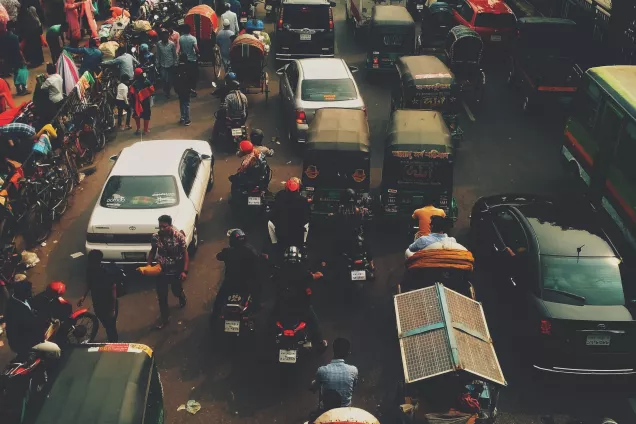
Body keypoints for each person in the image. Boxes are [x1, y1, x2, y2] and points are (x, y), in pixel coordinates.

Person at [271, 246, 327, 348]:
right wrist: (319, 274)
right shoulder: (303, 270)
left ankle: (267, 341)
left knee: (270, 320)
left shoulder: (280, 269)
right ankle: (320, 343)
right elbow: (314, 276)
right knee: (313, 321)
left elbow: (273, 279)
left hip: (283, 305)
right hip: (301, 306)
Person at [146, 215, 188, 329]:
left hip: (175, 269)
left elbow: (185, 253)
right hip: (162, 270)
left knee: (176, 290)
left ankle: (181, 296)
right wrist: (149, 265)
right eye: (160, 227)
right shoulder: (155, 237)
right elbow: (153, 251)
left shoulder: (179, 236)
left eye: (164, 227)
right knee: (162, 296)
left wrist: (185, 271)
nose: (162, 229)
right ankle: (165, 319)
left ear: (170, 225)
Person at [212, 229, 264, 320]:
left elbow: (218, 256)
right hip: (247, 283)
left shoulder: (228, 252)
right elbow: (258, 261)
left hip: (230, 282)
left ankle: (216, 316)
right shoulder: (251, 251)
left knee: (219, 300)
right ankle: (255, 308)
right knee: (256, 296)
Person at [78, 250, 120, 342]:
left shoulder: (106, 273)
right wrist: (83, 296)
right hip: (97, 303)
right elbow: (89, 283)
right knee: (106, 324)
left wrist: (112, 309)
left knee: (111, 327)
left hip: (109, 305)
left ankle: (114, 343)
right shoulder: (89, 270)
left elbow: (113, 290)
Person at [311, 338, 358, 408]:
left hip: (326, 412)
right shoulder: (353, 370)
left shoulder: (322, 371)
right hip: (345, 411)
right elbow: (354, 386)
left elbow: (314, 387)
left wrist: (312, 385)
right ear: (348, 353)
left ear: (333, 351)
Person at [4, 281, 47, 356]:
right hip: (25, 342)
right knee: (56, 350)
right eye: (29, 291)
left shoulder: (22, 299)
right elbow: (28, 326)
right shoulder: (14, 309)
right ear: (23, 293)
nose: (31, 292)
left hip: (27, 336)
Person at [269, 177, 311, 249]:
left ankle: (274, 243)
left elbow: (274, 212)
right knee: (307, 224)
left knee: (270, 223)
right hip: (298, 230)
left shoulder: (280, 195)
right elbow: (307, 216)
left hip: (281, 229)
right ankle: (304, 242)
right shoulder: (303, 200)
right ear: (299, 188)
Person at [129, 67, 155, 135]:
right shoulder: (147, 81)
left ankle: (138, 129)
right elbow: (152, 90)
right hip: (146, 101)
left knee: (137, 115)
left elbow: (131, 94)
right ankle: (145, 130)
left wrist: (132, 103)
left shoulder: (134, 84)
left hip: (137, 102)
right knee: (146, 115)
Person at [178, 24, 199, 97]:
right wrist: (197, 54)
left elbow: (180, 49)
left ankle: (187, 89)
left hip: (184, 60)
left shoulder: (181, 38)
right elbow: (196, 49)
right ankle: (193, 89)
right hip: (192, 60)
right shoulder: (193, 38)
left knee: (186, 75)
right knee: (193, 76)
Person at [156, 30, 177, 98]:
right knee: (164, 79)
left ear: (168, 37)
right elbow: (158, 55)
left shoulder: (172, 44)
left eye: (166, 36)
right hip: (162, 65)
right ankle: (165, 90)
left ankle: (168, 91)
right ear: (161, 37)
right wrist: (157, 64)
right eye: (163, 36)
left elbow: (174, 55)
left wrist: (175, 63)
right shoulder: (159, 44)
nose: (165, 38)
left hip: (171, 64)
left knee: (170, 80)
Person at [173, 55, 191, 125]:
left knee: (181, 103)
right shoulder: (188, 68)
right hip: (186, 90)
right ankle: (187, 119)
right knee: (186, 104)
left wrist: (176, 89)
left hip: (179, 90)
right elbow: (191, 80)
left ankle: (182, 117)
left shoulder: (176, 68)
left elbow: (174, 80)